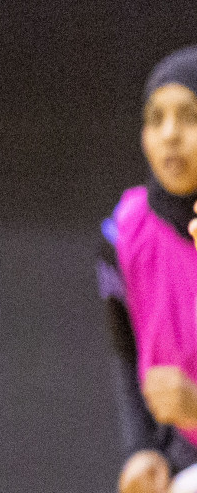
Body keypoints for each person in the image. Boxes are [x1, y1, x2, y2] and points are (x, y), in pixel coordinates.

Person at [101, 47, 197, 493]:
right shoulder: (123, 232)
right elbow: (128, 361)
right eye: (156, 118)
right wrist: (143, 450)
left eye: (189, 117)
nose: (170, 135)